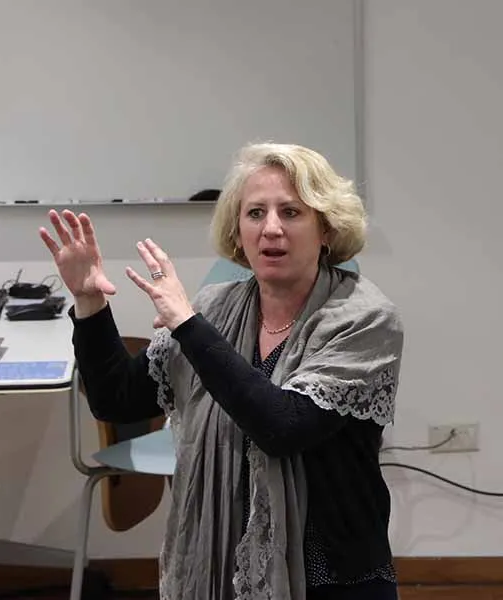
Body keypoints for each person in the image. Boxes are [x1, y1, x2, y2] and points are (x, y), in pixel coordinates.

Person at [39, 143, 404, 600]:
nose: (271, 228)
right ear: (238, 230)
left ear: (326, 228)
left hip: (332, 573)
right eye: (255, 213)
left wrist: (188, 325)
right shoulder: (216, 307)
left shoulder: (365, 319)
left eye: (291, 212)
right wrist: (89, 300)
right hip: (222, 565)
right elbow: (117, 399)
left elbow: (282, 427)